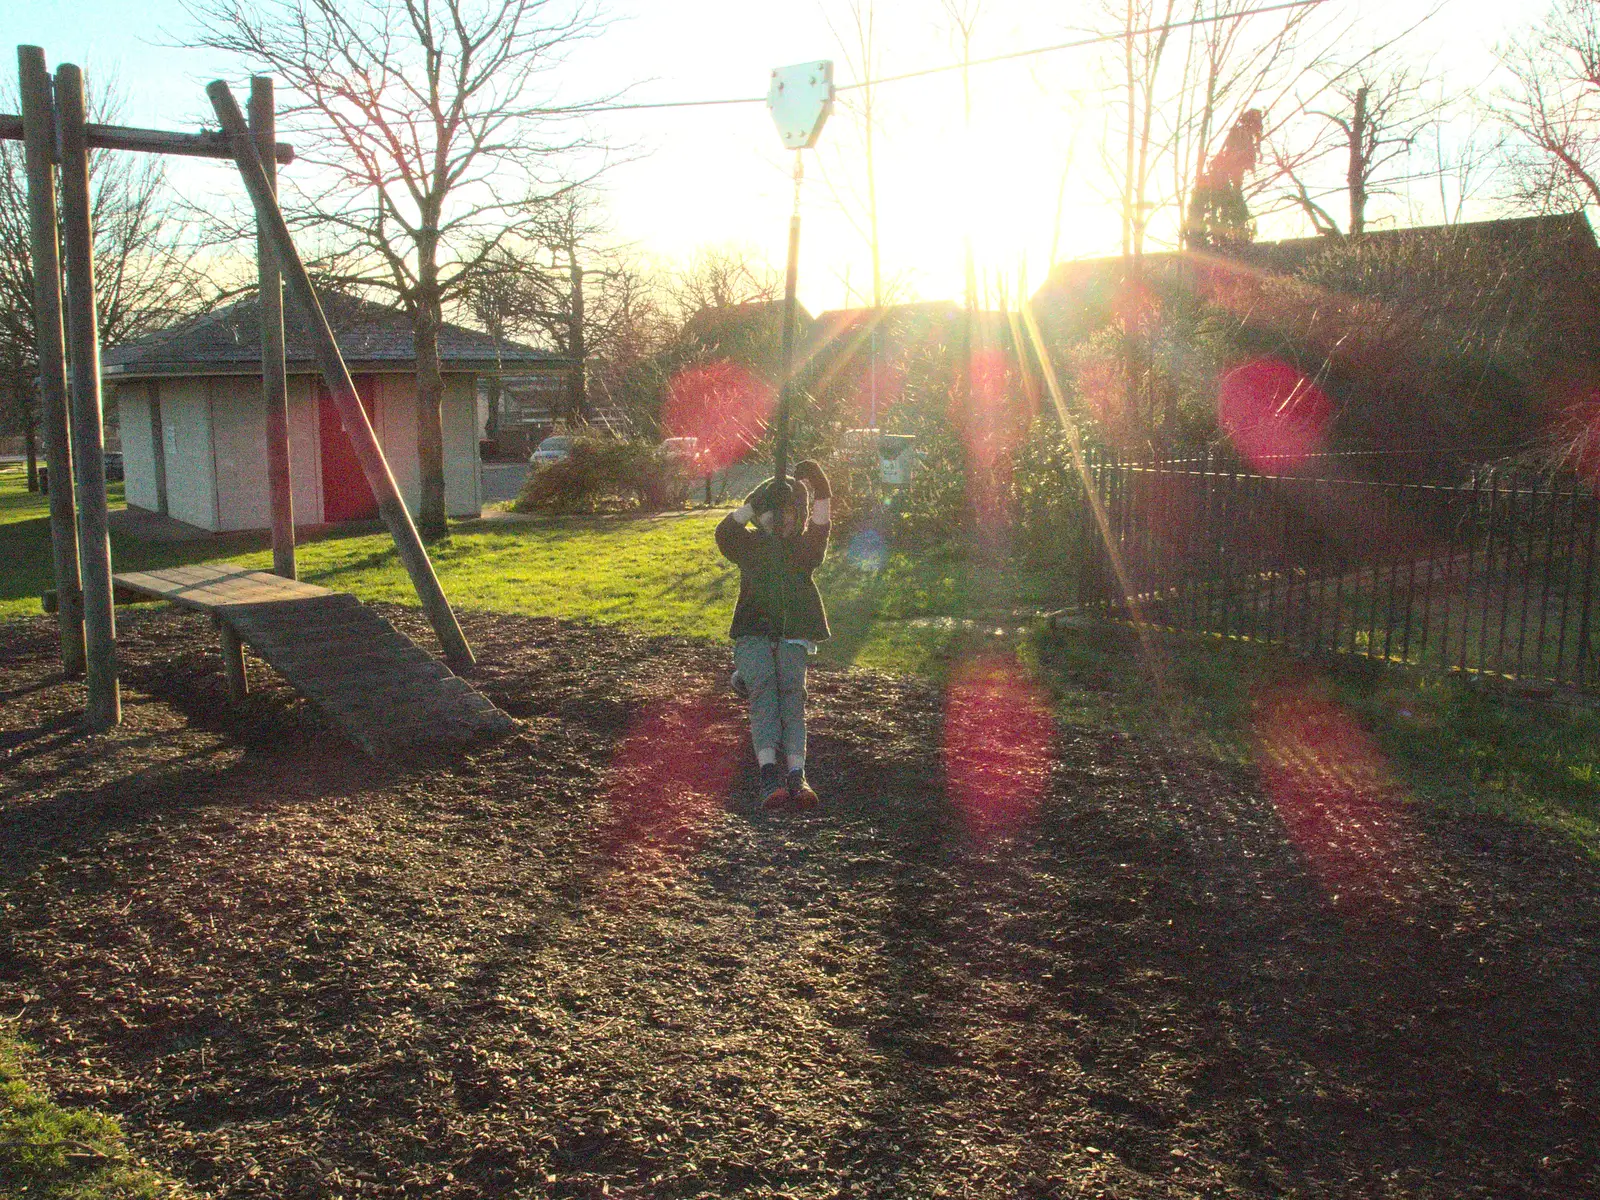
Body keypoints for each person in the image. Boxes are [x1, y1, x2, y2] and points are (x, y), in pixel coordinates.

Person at [715, 459, 832, 810]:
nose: (779, 520)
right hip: (753, 632)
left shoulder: (804, 550)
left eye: (787, 513)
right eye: (770, 513)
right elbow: (724, 533)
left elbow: (821, 525)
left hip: (792, 633)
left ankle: (797, 774)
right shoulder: (748, 546)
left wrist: (820, 488)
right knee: (765, 686)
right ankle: (769, 774)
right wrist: (756, 501)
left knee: (791, 693)